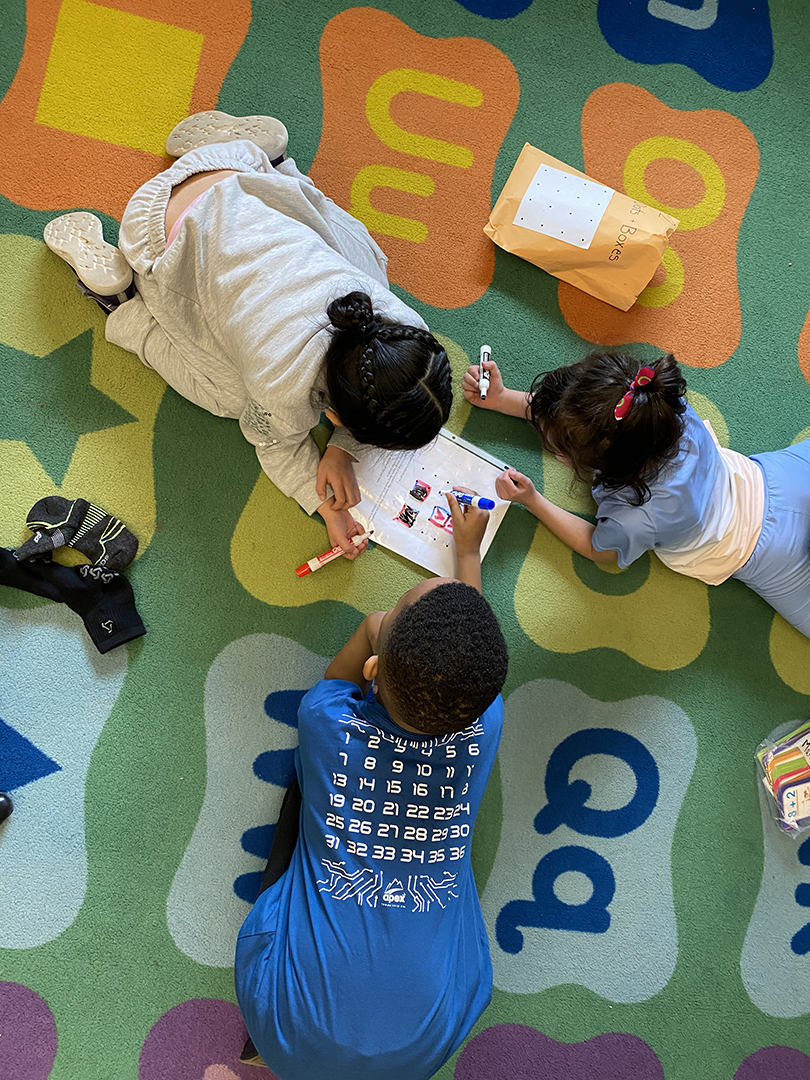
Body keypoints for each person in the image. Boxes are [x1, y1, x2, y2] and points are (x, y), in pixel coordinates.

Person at [43, 111, 452, 559]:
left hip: (234, 171)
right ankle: (122, 305)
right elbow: (273, 443)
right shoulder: (281, 393)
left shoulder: (400, 321)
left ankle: (277, 163)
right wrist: (323, 501)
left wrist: (341, 450)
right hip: (153, 228)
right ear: (333, 416)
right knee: (228, 397)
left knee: (367, 259)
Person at [234, 493, 509, 1079]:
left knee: (300, 802)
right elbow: (467, 667)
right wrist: (468, 555)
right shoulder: (485, 724)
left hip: (285, 1025)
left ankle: (267, 1038)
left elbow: (337, 678)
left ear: (374, 670)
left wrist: (368, 629)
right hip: (419, 1052)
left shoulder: (326, 722)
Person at [463, 349, 810, 638]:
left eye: (561, 450)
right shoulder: (659, 404)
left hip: (767, 552)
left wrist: (533, 500)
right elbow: (576, 416)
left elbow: (598, 548)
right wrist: (503, 399)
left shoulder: (635, 517)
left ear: (604, 464)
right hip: (777, 480)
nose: (556, 454)